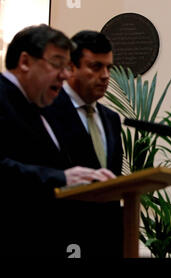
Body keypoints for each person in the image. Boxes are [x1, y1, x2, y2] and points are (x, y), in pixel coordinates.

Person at [0, 25, 115, 257]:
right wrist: (62, 178)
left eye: (66, 67)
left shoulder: (33, 106)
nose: (64, 74)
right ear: (25, 62)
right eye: (56, 64)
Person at [43, 31, 123, 257]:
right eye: (96, 67)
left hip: (106, 240)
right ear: (70, 68)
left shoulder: (111, 118)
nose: (105, 75)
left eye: (109, 68)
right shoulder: (46, 110)